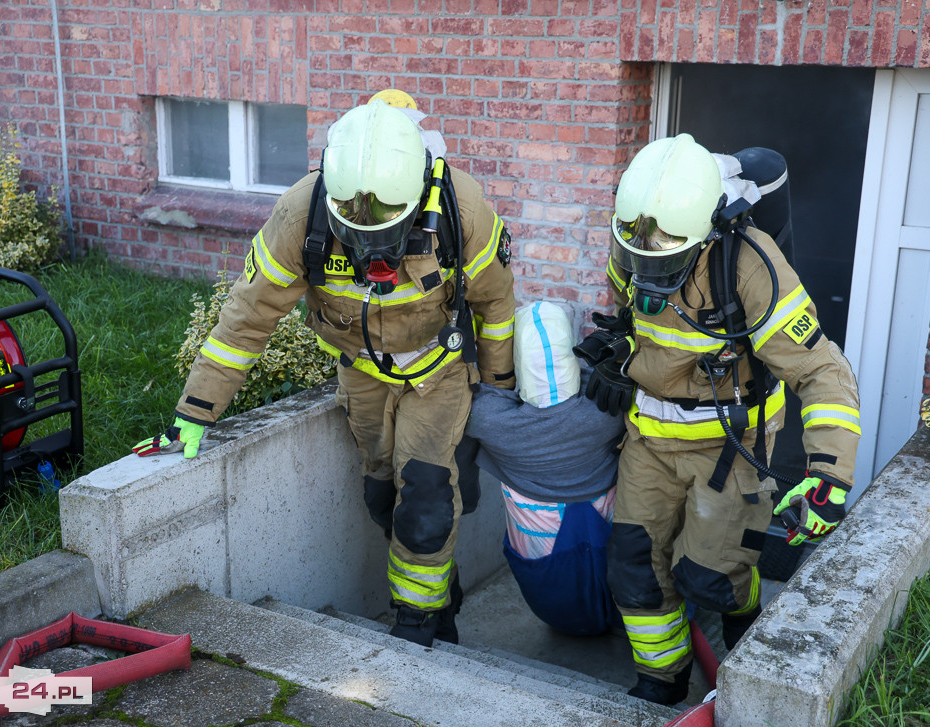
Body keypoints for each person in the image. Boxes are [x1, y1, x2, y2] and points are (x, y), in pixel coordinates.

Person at [132, 90, 517, 648]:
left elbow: (496, 305)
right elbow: (247, 317)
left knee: (427, 493)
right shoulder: (302, 212)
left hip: (438, 371)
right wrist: (195, 412)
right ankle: (439, 586)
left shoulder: (463, 210)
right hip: (361, 371)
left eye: (385, 221)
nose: (368, 235)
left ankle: (421, 625)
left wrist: (498, 394)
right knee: (382, 496)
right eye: (355, 222)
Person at [581, 134, 860, 705]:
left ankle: (744, 609)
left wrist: (830, 473)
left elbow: (822, 370)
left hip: (728, 443)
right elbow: (637, 321)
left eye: (665, 255)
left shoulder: (750, 264)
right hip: (649, 440)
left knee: (710, 579)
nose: (644, 264)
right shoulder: (634, 239)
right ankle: (661, 680)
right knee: (633, 566)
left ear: (704, 232)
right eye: (637, 251)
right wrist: (618, 358)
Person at [462, 301, 625, 636]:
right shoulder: (605, 415)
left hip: (547, 594)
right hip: (614, 570)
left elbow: (481, 391)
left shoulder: (490, 421)